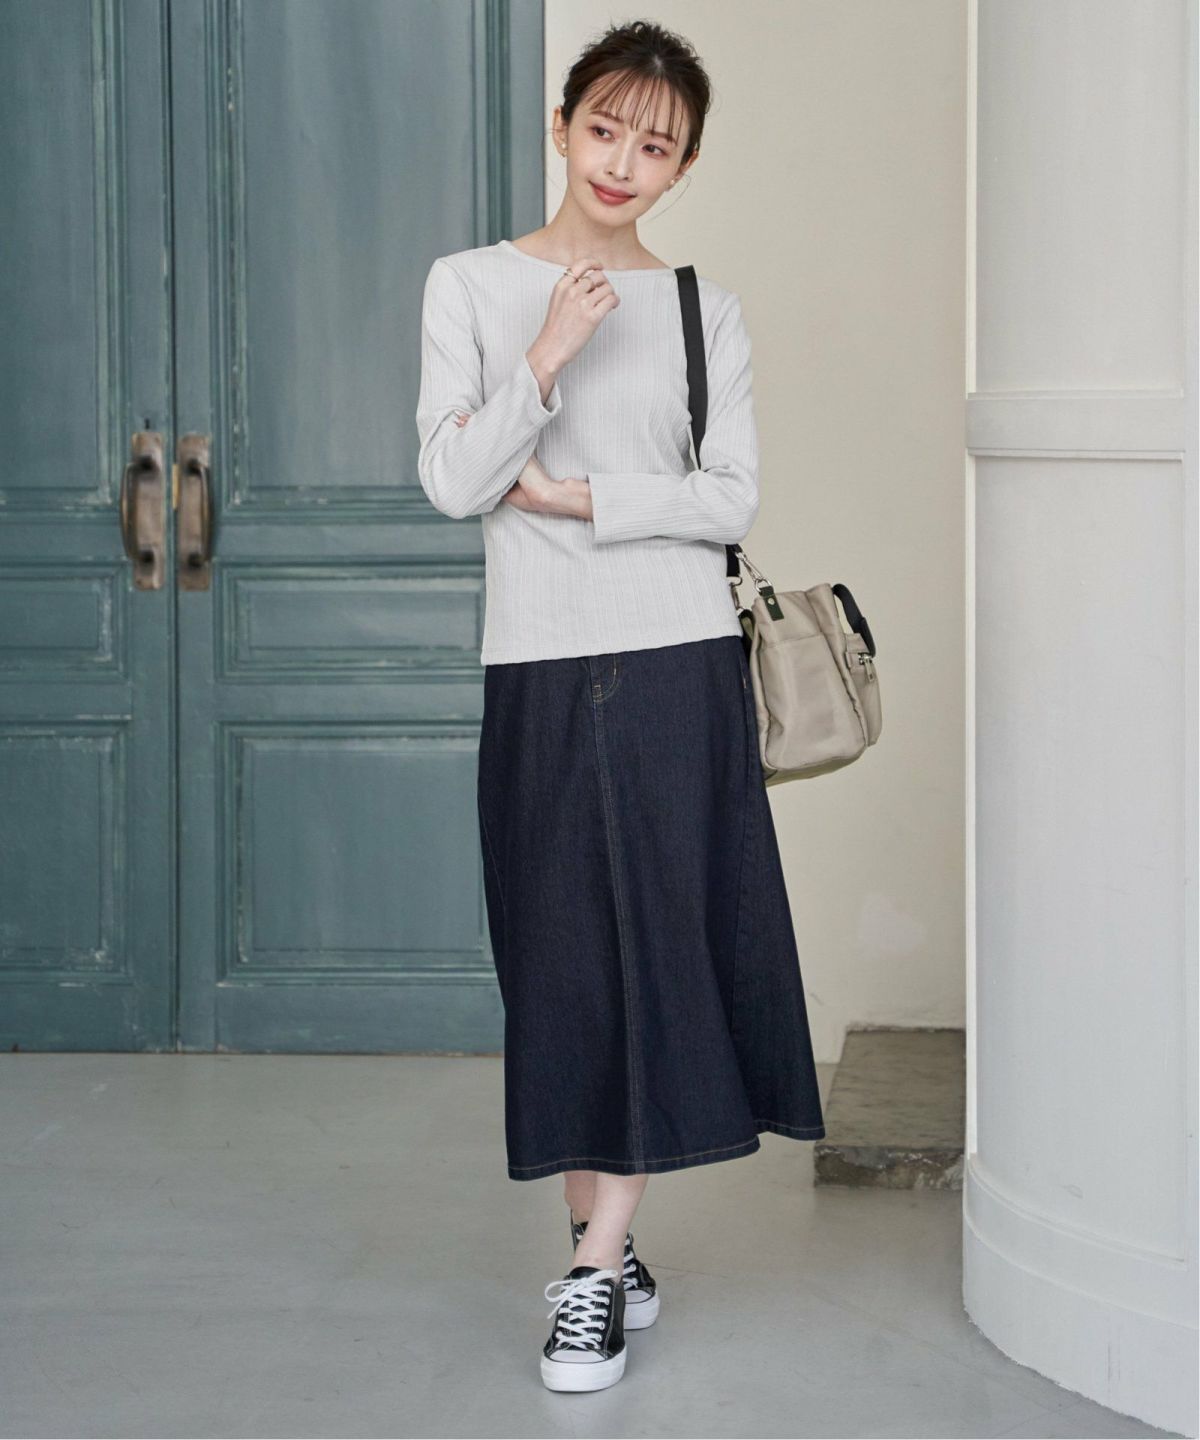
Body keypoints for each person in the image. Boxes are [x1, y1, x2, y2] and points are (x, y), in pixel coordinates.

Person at [415, 18, 825, 1394]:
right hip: (536, 659)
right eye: (604, 129)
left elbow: (732, 496)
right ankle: (604, 1237)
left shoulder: (707, 309)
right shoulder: (472, 286)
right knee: (562, 961)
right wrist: (546, 356)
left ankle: (594, 1270)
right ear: (563, 126)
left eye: (656, 146)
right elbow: (453, 482)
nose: (622, 162)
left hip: (675, 658)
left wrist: (583, 497)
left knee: (656, 948)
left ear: (683, 165)